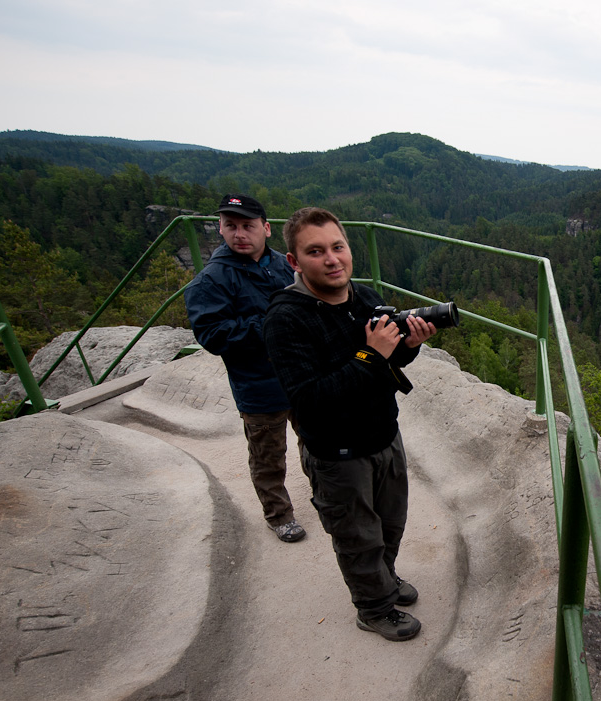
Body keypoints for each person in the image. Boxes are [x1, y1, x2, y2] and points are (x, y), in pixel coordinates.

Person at [263, 207, 438, 641]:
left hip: (384, 436)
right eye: (315, 251)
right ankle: (374, 609)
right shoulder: (285, 320)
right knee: (358, 536)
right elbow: (310, 401)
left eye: (337, 247)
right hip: (337, 453)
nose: (331, 259)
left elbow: (385, 366)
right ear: (294, 261)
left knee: (390, 524)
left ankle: (385, 579)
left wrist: (407, 346)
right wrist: (371, 354)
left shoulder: (363, 297)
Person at [184, 194, 306, 543]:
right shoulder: (211, 280)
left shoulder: (285, 265)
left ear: (266, 229)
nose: (239, 234)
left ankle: (327, 496)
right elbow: (213, 335)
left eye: (247, 226)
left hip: (302, 376)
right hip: (258, 386)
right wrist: (270, 325)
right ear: (220, 228)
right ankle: (279, 515)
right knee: (268, 456)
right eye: (231, 226)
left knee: (317, 442)